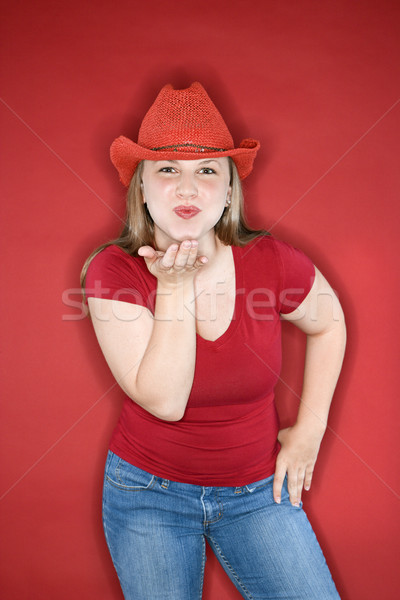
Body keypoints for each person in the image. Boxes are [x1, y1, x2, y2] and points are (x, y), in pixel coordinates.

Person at [81, 82, 346, 600]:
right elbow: (165, 400)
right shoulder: (112, 271)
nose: (187, 188)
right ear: (141, 188)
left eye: (207, 171)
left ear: (229, 191)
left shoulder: (270, 261)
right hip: (148, 496)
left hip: (257, 493)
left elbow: (329, 322)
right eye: (167, 170)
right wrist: (175, 289)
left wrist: (309, 429)